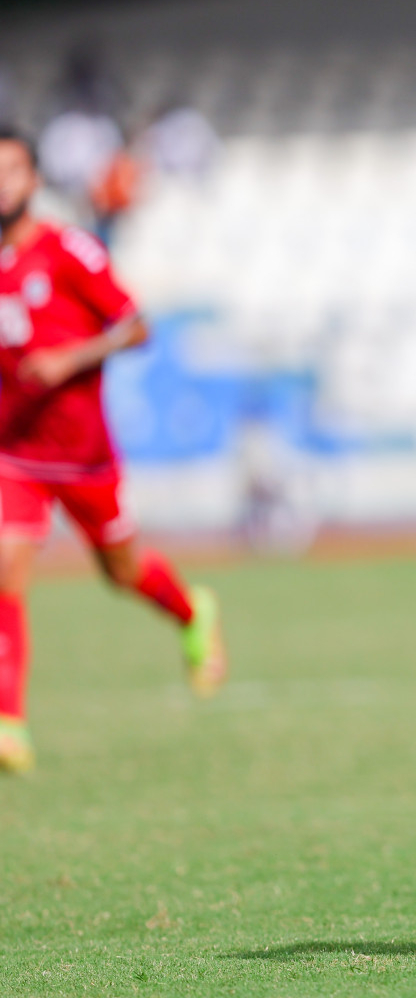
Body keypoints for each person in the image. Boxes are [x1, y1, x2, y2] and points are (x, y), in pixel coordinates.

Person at [0, 128, 227, 775]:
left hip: (82, 455)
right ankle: (8, 723)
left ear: (34, 181)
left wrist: (70, 357)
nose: (0, 185)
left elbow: (136, 325)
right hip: (13, 452)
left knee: (120, 572)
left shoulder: (66, 250)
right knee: (6, 570)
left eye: (10, 171)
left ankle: (192, 609)